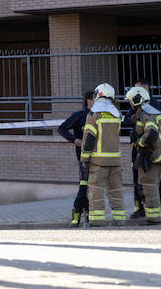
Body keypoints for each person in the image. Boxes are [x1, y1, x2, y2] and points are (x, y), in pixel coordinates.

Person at [126, 85, 161, 225]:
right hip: (155, 154)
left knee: (149, 185)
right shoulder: (151, 111)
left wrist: (140, 143)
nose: (129, 103)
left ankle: (153, 218)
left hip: (150, 155)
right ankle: (155, 214)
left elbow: (151, 132)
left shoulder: (145, 114)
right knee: (152, 184)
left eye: (130, 100)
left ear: (137, 100)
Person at [80, 83, 126, 226]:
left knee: (96, 191)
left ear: (98, 95)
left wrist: (84, 158)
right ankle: (119, 220)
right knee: (116, 191)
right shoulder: (116, 114)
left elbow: (89, 139)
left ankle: (97, 221)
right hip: (115, 160)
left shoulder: (94, 114)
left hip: (99, 162)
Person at [57, 91, 95, 227]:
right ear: (89, 101)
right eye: (96, 99)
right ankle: (76, 213)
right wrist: (75, 140)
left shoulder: (99, 116)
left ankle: (90, 214)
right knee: (84, 187)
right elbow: (62, 129)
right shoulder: (80, 116)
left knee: (94, 189)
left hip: (98, 159)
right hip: (83, 160)